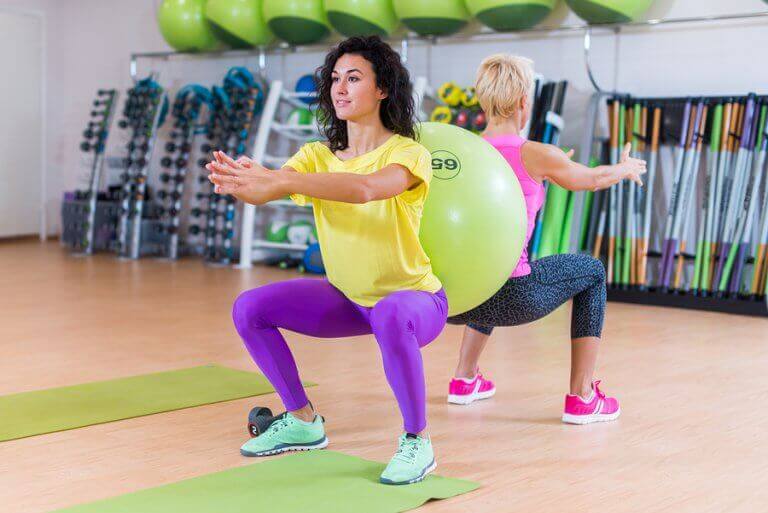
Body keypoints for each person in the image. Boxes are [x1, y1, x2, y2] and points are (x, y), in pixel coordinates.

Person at [207, 36, 447, 485]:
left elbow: (364, 190)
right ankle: (302, 420)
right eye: (335, 79)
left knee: (392, 311)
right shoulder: (317, 155)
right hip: (349, 298)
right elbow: (269, 189)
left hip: (416, 301)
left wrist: (276, 180)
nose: (340, 88)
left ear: (382, 90)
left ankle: (418, 441)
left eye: (353, 78)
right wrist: (244, 180)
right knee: (250, 308)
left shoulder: (408, 153)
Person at [446, 54, 646, 425]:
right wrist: (624, 167)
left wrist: (550, 165)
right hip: (513, 299)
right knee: (592, 271)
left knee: (486, 259)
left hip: (458, 300)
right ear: (525, 101)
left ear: (482, 99)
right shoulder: (535, 154)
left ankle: (464, 378)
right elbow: (593, 179)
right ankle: (583, 396)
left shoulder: (462, 152)